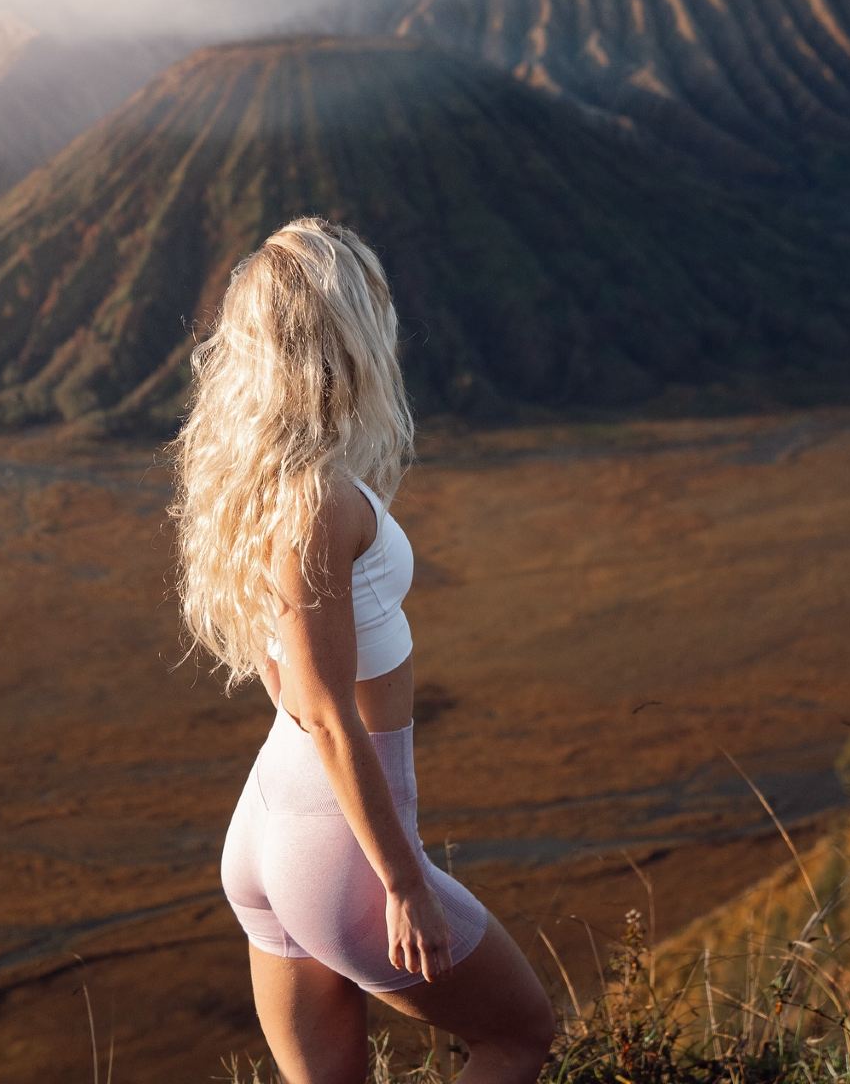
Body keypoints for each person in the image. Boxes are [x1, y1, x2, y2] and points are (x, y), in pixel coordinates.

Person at [166, 215, 556, 1083]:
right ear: (347, 330)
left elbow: (283, 678)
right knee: (519, 1037)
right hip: (335, 850)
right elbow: (332, 713)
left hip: (269, 820)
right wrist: (405, 880)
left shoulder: (259, 477)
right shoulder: (318, 497)